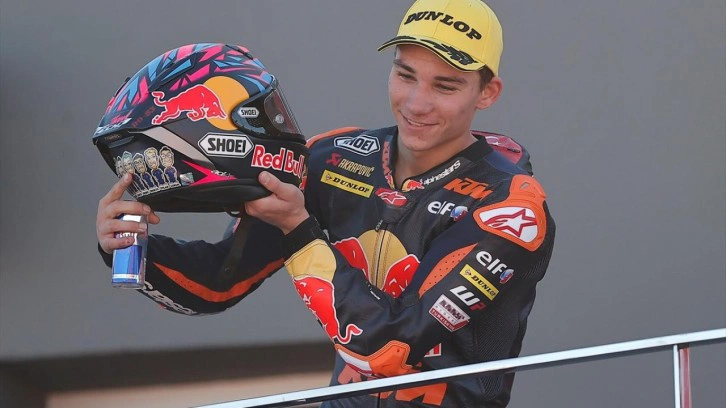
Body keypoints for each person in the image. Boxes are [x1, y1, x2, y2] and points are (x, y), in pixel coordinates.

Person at [96, 0, 555, 406]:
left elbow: (389, 349)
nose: (417, 103)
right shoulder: (330, 158)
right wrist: (128, 246)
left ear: (487, 93)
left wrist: (298, 230)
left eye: (445, 86)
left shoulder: (510, 207)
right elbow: (218, 282)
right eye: (405, 75)